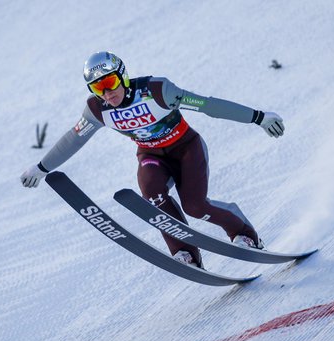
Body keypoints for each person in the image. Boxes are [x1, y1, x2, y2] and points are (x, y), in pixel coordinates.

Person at [21, 51, 285, 268]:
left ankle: (243, 233)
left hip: (186, 149)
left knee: (194, 206)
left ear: (122, 77)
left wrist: (258, 117)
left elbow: (207, 106)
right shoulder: (97, 110)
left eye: (110, 83)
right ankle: (185, 253)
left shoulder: (158, 91)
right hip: (151, 156)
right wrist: (42, 167)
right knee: (152, 194)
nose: (107, 93)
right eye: (97, 87)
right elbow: (74, 138)